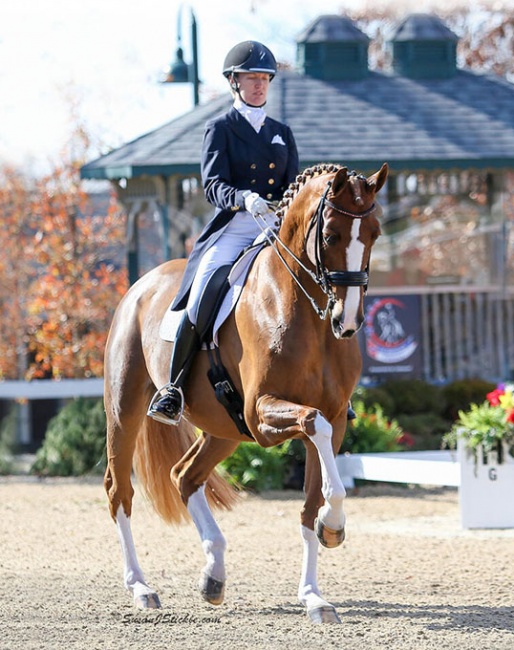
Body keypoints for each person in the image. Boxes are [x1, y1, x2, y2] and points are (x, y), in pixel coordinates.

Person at [148, 40, 300, 425]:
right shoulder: (220, 128)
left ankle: (330, 384)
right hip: (235, 226)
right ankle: (174, 387)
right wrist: (244, 198)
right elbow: (213, 185)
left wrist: (285, 208)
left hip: (276, 226)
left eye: (264, 78)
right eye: (251, 78)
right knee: (202, 294)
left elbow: (293, 186)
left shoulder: (282, 132)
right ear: (234, 82)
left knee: (317, 285)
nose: (259, 85)